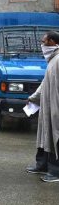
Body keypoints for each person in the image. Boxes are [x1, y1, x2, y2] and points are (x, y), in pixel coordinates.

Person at [26, 31, 59, 182]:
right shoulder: (52, 60)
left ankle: (55, 172)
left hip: (55, 107)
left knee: (54, 136)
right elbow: (45, 83)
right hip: (47, 106)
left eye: (44, 41)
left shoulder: (58, 60)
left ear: (52, 42)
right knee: (45, 135)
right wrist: (33, 98)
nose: (42, 44)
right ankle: (43, 165)